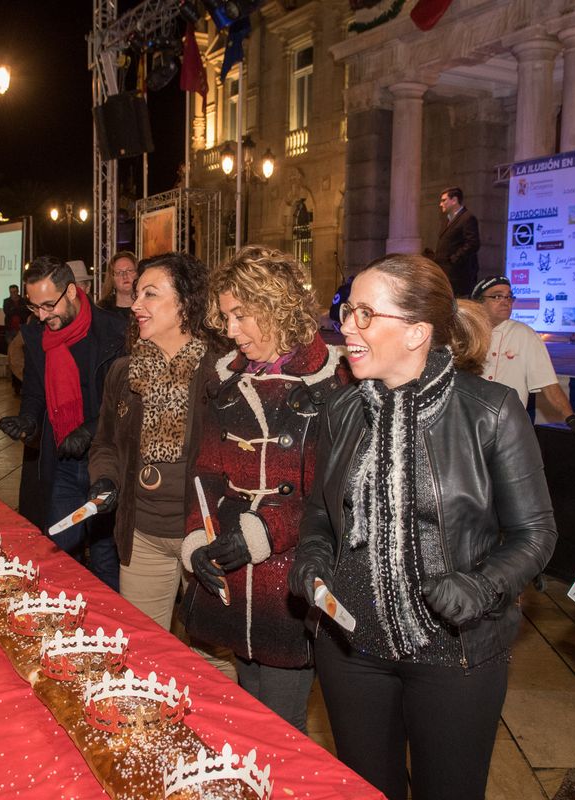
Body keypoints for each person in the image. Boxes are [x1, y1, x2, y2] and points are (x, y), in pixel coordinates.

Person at [289, 253, 556, 800]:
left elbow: (536, 533)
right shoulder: (341, 411)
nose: (346, 327)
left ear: (416, 333)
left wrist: (482, 586)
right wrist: (313, 558)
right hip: (350, 649)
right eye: (346, 311)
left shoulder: (493, 411)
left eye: (365, 314)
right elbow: (320, 513)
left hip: (454, 652)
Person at [177, 245, 347, 732]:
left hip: (291, 574)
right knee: (246, 707)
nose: (230, 331)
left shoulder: (333, 381)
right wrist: (199, 538)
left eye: (241, 316)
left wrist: (258, 533)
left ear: (277, 306)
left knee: (280, 725)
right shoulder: (226, 379)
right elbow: (205, 471)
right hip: (233, 570)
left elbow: (327, 493)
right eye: (226, 317)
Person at [86, 252, 218, 626]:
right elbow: (105, 444)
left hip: (203, 534)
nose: (136, 304)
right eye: (137, 294)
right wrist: (105, 479)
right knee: (144, 648)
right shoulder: (122, 372)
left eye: (150, 294)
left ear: (186, 303)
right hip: (141, 532)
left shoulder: (219, 373)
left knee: (212, 660)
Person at [0, 256, 126, 588]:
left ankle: (109, 632)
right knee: (58, 552)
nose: (41, 315)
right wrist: (27, 421)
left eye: (48, 305)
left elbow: (125, 402)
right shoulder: (39, 337)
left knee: (105, 557)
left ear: (71, 291)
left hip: (106, 462)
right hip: (63, 462)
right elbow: (35, 392)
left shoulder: (114, 331)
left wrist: (90, 429)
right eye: (34, 306)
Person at [471, 276, 575, 437]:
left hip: (508, 427)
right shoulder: (465, 334)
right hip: (470, 424)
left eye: (508, 296)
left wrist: (571, 419)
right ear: (479, 303)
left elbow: (548, 384)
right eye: (497, 296)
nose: (505, 301)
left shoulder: (525, 334)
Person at [435, 187, 481, 298]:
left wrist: (454, 259)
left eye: (444, 200)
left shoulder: (467, 218)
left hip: (459, 276)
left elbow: (473, 243)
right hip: (446, 273)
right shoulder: (447, 220)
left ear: (454, 200)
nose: (441, 204)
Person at [98, 250, 137, 320]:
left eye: (130, 270)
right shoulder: (101, 311)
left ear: (138, 274)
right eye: (119, 272)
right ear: (112, 279)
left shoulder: (148, 307)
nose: (125, 276)